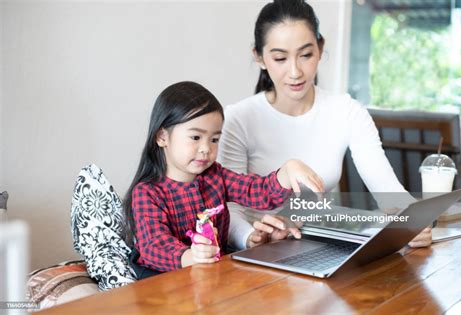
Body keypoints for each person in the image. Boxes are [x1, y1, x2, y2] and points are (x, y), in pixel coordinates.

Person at [217, 0, 432, 250]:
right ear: (260, 57)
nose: (295, 71)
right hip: (259, 253)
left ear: (320, 48)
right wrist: (250, 238)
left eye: (306, 55)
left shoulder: (347, 111)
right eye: (280, 58)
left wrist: (412, 222)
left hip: (319, 245)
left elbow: (388, 193)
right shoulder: (236, 119)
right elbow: (227, 208)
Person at [122, 81, 324, 278]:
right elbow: (154, 245)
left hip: (210, 273)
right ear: (162, 137)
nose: (206, 148)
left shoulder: (215, 176)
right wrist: (188, 256)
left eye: (214, 139)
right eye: (195, 137)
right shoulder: (148, 192)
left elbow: (257, 191)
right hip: (164, 279)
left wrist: (287, 172)